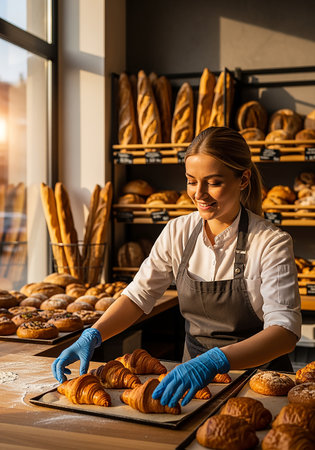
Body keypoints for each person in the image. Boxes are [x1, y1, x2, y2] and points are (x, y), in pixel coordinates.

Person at [52, 126, 301, 409]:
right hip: (190, 383)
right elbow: (138, 296)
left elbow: (284, 333)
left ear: (243, 179)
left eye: (213, 182)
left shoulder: (270, 242)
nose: (200, 194)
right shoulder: (178, 232)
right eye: (192, 181)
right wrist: (93, 334)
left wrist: (217, 359)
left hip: (260, 384)